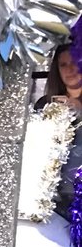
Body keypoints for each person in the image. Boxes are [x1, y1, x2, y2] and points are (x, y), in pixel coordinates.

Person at [35, 42, 82, 217]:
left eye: (76, 62)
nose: (70, 69)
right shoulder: (45, 104)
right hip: (50, 199)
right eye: (63, 65)